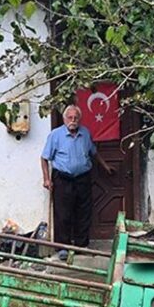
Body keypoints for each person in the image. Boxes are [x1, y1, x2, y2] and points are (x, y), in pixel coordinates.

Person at [40, 105, 114, 253]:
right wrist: (47, 179)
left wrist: (105, 166)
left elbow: (94, 152)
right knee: (63, 214)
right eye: (70, 117)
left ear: (79, 119)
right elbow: (44, 158)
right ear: (64, 118)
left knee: (83, 212)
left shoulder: (85, 133)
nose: (73, 120)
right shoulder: (55, 135)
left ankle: (81, 245)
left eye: (75, 118)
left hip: (83, 178)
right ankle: (63, 247)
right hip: (62, 179)